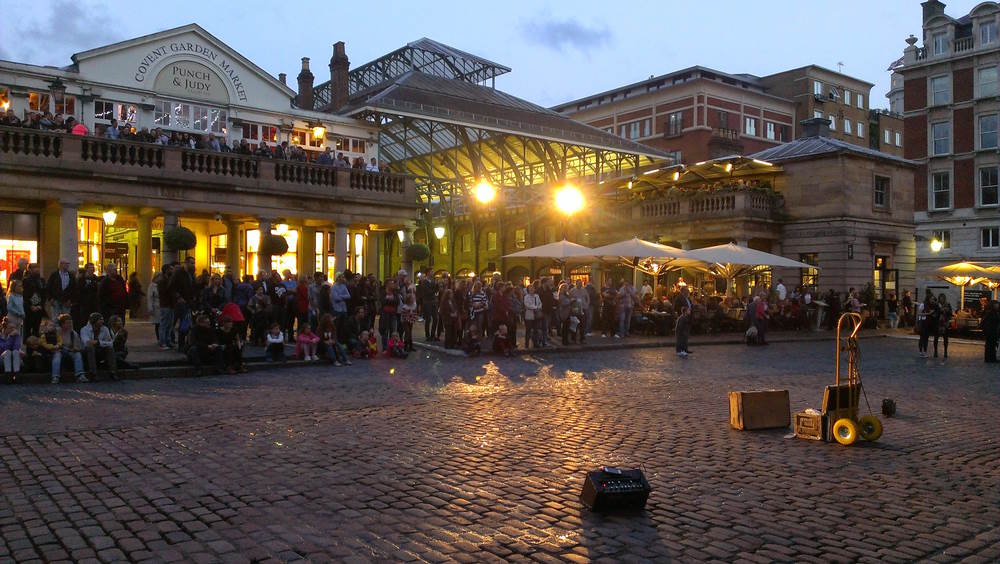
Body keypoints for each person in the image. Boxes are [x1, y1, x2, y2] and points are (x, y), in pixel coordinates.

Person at [80, 313, 118, 380]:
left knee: (110, 349)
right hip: (87, 352)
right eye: (100, 320)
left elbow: (110, 343)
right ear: (94, 321)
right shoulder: (84, 329)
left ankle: (113, 372)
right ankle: (93, 373)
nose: (102, 321)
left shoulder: (105, 329)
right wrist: (102, 342)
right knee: (90, 348)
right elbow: (87, 342)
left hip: (99, 350)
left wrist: (99, 342)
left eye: (102, 319)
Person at [52, 314, 86, 383]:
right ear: (62, 324)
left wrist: (76, 349)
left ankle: (80, 375)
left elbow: (79, 346)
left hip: (70, 351)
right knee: (57, 356)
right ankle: (55, 376)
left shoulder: (73, 333)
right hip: (59, 351)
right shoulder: (57, 331)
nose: (69, 325)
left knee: (77, 355)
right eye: (67, 323)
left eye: (70, 323)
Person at [22, 263, 45, 338]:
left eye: (38, 267)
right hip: (29, 308)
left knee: (36, 328)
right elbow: (24, 295)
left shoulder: (41, 280)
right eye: (35, 268)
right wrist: (30, 306)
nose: (37, 269)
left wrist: (41, 305)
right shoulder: (26, 280)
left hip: (39, 306)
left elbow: (43, 293)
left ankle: (36, 345)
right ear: (30, 270)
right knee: (27, 328)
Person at [523, 284, 541, 349]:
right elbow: (527, 305)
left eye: (533, 288)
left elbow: (540, 303)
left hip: (536, 316)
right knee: (528, 330)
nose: (532, 290)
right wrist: (535, 307)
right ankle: (527, 343)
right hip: (529, 316)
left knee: (536, 330)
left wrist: (538, 307)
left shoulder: (537, 296)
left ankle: (535, 343)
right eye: (530, 289)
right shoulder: (526, 297)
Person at [935, 293, 953, 359]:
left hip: (945, 323)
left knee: (945, 338)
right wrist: (940, 311)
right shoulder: (937, 305)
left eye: (942, 298)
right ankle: (935, 352)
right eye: (940, 298)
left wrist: (945, 310)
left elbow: (950, 313)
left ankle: (945, 352)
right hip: (938, 323)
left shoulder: (948, 304)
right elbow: (935, 313)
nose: (941, 299)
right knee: (936, 338)